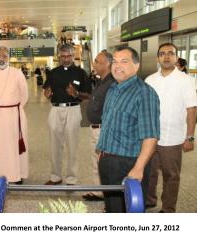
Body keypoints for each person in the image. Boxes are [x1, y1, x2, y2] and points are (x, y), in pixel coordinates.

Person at [96, 46, 160, 213]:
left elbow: (151, 136)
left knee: (127, 212)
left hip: (128, 164)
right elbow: (108, 124)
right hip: (108, 161)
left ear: (136, 66)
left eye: (124, 62)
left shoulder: (144, 93)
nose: (117, 66)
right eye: (115, 62)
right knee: (112, 208)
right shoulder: (113, 89)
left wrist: (138, 168)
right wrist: (102, 155)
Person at [145, 43, 197, 213]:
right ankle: (149, 200)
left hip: (172, 138)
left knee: (171, 176)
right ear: (158, 57)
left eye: (170, 53)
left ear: (176, 57)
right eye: (162, 53)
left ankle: (168, 209)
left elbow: (192, 109)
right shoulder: (150, 80)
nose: (166, 56)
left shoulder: (186, 80)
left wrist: (190, 137)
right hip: (150, 136)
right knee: (149, 172)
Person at [0, 46, 29, 184]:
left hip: (13, 115)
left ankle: (16, 174)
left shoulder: (17, 73)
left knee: (12, 146)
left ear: (9, 58)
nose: (1, 59)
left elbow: (24, 95)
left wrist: (12, 107)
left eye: (4, 56)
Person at [43, 44, 88, 185]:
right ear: (59, 57)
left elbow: (88, 94)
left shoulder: (81, 73)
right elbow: (47, 91)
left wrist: (76, 93)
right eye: (63, 56)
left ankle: (72, 178)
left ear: (73, 56)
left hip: (73, 109)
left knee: (72, 145)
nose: (66, 59)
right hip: (55, 110)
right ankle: (55, 176)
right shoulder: (54, 72)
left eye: (68, 56)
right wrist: (47, 94)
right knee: (55, 145)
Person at [82, 50, 115, 201]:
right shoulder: (101, 80)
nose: (94, 64)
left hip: (103, 130)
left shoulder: (112, 83)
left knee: (104, 164)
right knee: (96, 162)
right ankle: (98, 191)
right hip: (95, 128)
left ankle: (107, 197)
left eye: (97, 61)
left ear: (108, 64)